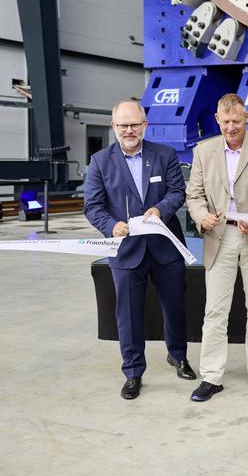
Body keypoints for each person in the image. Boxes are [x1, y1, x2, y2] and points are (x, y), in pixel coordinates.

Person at [84, 100, 195, 400]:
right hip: (126, 250)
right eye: (123, 125)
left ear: (145, 125)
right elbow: (92, 207)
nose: (129, 130)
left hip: (165, 248)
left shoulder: (165, 155)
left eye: (135, 124)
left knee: (174, 306)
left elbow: (177, 192)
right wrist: (111, 226)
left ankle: (178, 356)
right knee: (128, 315)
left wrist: (160, 210)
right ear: (114, 127)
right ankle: (133, 372)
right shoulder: (99, 162)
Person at [185, 93, 248, 402]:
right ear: (217, 119)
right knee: (215, 310)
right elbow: (194, 195)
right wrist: (203, 218)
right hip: (218, 237)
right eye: (225, 122)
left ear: (247, 117)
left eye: (236, 121)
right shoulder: (203, 151)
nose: (231, 127)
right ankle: (211, 376)